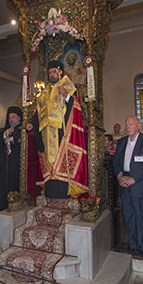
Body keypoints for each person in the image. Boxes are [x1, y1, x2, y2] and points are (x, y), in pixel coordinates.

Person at [27, 60, 88, 198]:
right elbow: (38, 112)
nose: (52, 75)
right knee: (49, 162)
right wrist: (32, 123)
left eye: (54, 72)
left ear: (60, 72)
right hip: (46, 135)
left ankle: (65, 193)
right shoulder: (44, 92)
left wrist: (66, 95)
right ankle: (50, 193)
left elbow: (76, 106)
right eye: (50, 73)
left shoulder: (67, 86)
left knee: (61, 161)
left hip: (63, 132)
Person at [113, 116, 143, 256]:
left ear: (138, 126)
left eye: (131, 124)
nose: (128, 127)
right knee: (128, 216)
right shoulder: (121, 142)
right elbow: (116, 162)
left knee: (140, 216)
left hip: (140, 184)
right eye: (126, 124)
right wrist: (119, 176)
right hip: (124, 182)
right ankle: (132, 244)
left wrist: (134, 179)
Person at [0, 106, 22, 211]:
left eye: (14, 117)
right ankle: (3, 205)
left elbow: (22, 139)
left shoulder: (21, 129)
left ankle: (15, 204)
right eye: (10, 117)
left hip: (17, 165)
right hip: (5, 165)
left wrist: (12, 139)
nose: (11, 120)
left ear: (19, 118)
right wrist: (5, 134)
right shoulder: (6, 130)